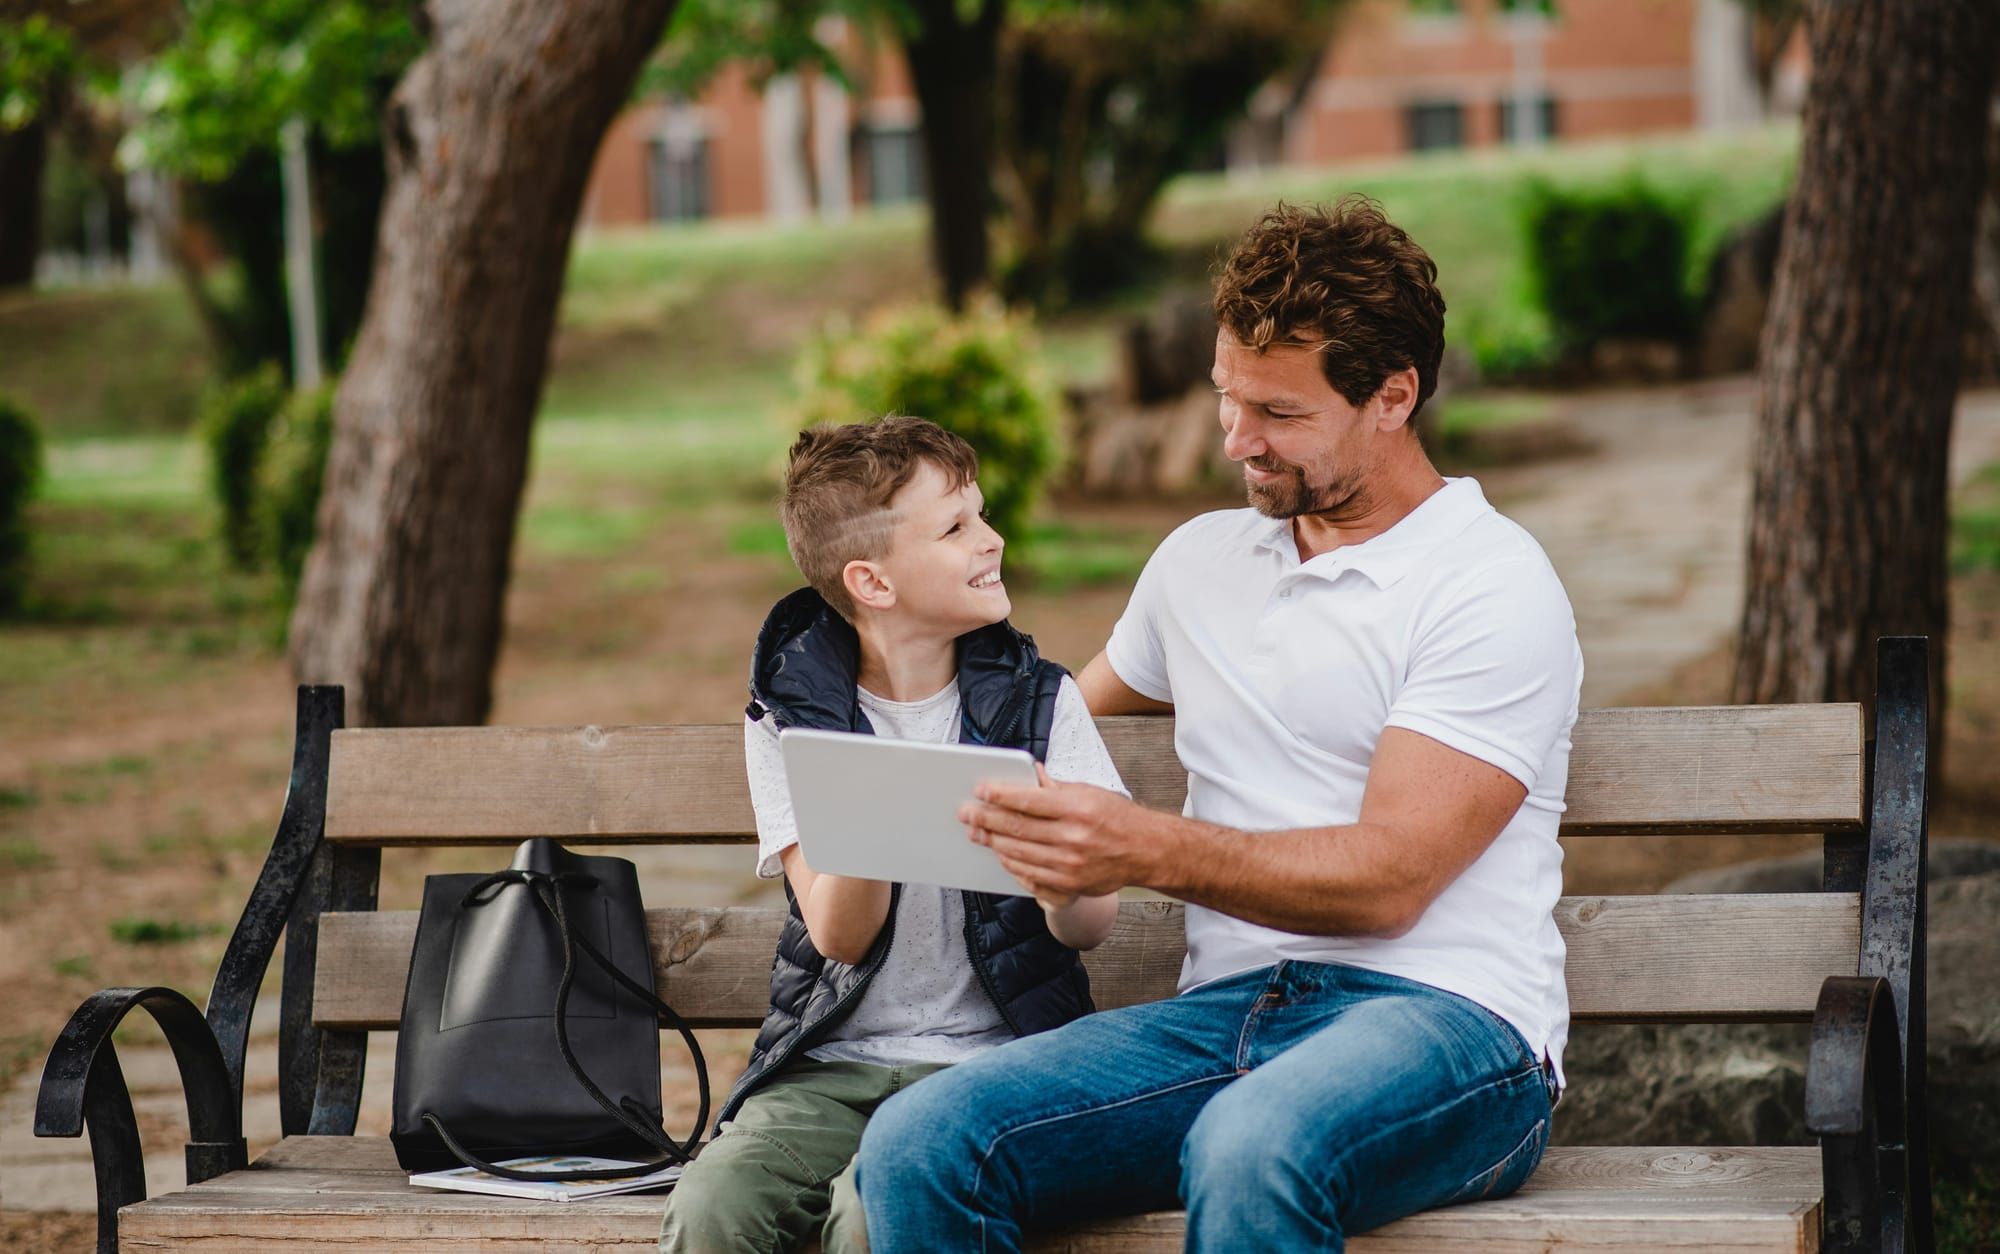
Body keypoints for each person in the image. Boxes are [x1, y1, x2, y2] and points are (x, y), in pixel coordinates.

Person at [852, 198, 1584, 1252]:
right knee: (922, 1141)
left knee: (1251, 1145)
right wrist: (869, 747)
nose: (1236, 440)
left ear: (1393, 396)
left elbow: (1390, 881)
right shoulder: (1200, 563)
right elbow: (1040, 728)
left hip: (1450, 1025)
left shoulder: (1485, 582)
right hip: (1226, 1019)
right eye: (1226, 398)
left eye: (1278, 414)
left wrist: (1144, 846)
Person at [659, 416, 1127, 1254]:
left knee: (875, 1213)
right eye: (956, 527)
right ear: (873, 582)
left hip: (995, 1068)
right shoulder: (789, 721)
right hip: (831, 1069)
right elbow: (839, 932)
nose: (993, 539)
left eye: (980, 515)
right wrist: (872, 801)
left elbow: (1091, 924)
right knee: (712, 1211)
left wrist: (1061, 865)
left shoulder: (1041, 703)